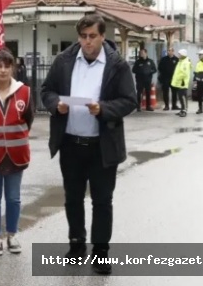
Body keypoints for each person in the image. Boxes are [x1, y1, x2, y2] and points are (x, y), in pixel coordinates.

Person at [40, 14, 137, 275]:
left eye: (92, 36)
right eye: (83, 36)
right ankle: (76, 245)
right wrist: (55, 105)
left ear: (102, 36)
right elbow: (46, 90)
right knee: (72, 199)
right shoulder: (64, 61)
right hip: (71, 144)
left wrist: (103, 108)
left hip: (102, 146)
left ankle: (101, 252)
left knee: (102, 200)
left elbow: (129, 100)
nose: (87, 42)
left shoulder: (117, 65)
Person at [0, 49, 34, 256]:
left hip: (16, 155)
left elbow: (28, 120)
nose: (3, 70)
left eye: (7, 66)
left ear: (12, 68)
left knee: (13, 198)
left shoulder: (25, 92)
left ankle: (12, 235)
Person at [171, 49, 192, 118]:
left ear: (183, 55)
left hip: (182, 82)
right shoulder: (181, 61)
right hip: (179, 82)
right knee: (180, 96)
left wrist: (179, 79)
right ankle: (182, 109)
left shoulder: (185, 62)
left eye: (179, 54)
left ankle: (184, 110)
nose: (178, 55)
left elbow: (184, 73)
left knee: (182, 96)